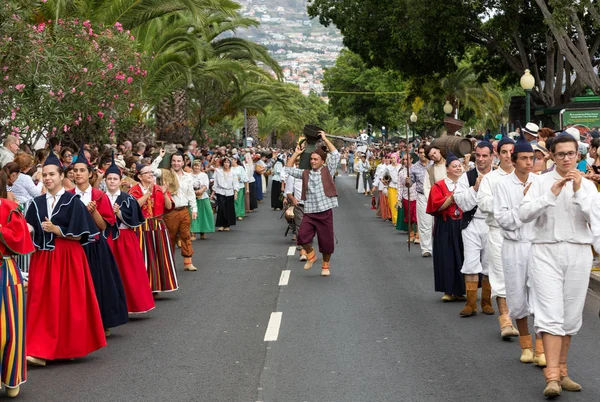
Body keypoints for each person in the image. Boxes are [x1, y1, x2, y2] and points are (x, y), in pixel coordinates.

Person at [519, 133, 596, 397]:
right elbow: (524, 214)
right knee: (550, 313)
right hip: (545, 251)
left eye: (571, 154)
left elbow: (595, 221)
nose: (566, 158)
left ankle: (563, 371)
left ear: (578, 155)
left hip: (578, 252)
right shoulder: (539, 182)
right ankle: (551, 376)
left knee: (571, 315)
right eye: (560, 153)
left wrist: (577, 191)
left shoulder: (587, 186)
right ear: (552, 155)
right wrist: (550, 194)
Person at [25, 152, 106, 367]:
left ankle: (68, 347)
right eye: (44, 175)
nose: (48, 178)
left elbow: (83, 234)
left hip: (68, 256)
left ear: (62, 176)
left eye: (52, 174)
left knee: (68, 302)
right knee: (42, 302)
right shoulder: (36, 203)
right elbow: (30, 228)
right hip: (43, 258)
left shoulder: (74, 201)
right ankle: (39, 349)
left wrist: (57, 230)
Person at [494, 135, 546, 366]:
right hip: (514, 247)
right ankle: (526, 345)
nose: (528, 162)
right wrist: (524, 206)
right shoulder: (502, 185)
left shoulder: (540, 182)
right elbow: (503, 219)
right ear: (513, 160)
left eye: (531, 158)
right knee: (517, 296)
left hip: (536, 246)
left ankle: (541, 348)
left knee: (541, 296)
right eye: (523, 158)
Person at [69, 148, 129, 335]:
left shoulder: (98, 195)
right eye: (75, 170)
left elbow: (103, 226)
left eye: (82, 170)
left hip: (94, 246)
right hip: (74, 247)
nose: (78, 174)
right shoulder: (67, 195)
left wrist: (93, 211)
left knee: (98, 284)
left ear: (90, 173)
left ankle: (102, 322)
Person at [476, 137, 520, 338]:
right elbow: (483, 203)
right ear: (498, 155)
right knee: (500, 275)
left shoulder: (528, 178)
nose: (508, 156)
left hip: (523, 234)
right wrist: (506, 199)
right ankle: (505, 321)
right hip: (497, 232)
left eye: (512, 151)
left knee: (522, 279)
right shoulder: (490, 179)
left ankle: (522, 319)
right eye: (504, 152)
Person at [284, 131, 340, 276]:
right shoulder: (305, 173)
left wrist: (325, 139)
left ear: (322, 160)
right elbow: (288, 169)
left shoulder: (328, 170)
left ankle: (325, 266)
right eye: (311, 159)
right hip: (309, 212)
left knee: (326, 243)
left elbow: (335, 155)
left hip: (325, 212)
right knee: (301, 237)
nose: (313, 161)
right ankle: (311, 255)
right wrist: (296, 154)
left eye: (316, 159)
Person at [104, 157, 155, 315]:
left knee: (129, 272)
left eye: (115, 179)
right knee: (109, 274)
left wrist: (119, 213)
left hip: (125, 238)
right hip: (106, 238)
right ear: (105, 180)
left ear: (120, 181)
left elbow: (136, 220)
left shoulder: (128, 198)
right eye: (109, 179)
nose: (112, 182)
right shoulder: (99, 197)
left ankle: (133, 305)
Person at [0, 175, 35, 398]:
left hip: (4, 271)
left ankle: (11, 377)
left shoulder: (10, 207)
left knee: (9, 328)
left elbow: (21, 237)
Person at [453, 142, 495, 317]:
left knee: (488, 264)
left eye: (485, 155)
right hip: (471, 224)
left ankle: (486, 301)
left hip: (492, 225)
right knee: (470, 264)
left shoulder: (499, 177)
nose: (481, 159)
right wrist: (475, 188)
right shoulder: (467, 177)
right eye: (478, 155)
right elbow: (461, 202)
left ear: (492, 156)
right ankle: (471, 303)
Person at [130, 164, 179, 295]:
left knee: (159, 256)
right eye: (147, 173)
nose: (151, 175)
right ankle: (144, 287)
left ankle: (157, 286)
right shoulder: (134, 190)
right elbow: (134, 207)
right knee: (143, 257)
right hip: (141, 226)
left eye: (151, 172)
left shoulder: (159, 188)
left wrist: (164, 194)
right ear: (140, 176)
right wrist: (148, 194)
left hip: (157, 225)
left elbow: (168, 206)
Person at [426, 153, 465, 301]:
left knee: (462, 256)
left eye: (459, 166)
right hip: (446, 224)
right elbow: (436, 207)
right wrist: (451, 198)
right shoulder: (439, 185)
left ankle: (461, 290)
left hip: (462, 223)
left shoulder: (465, 183)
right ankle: (448, 290)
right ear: (447, 168)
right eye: (454, 166)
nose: (457, 168)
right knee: (446, 256)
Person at [150, 150, 198, 271]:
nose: (176, 163)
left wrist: (194, 209)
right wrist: (160, 157)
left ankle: (188, 262)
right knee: (169, 237)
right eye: (174, 161)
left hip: (184, 210)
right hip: (170, 211)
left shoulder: (188, 176)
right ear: (171, 162)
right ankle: (168, 263)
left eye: (179, 161)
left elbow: (191, 193)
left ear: (183, 162)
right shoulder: (165, 173)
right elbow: (150, 171)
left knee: (186, 236)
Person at [409, 145, 433, 257]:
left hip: (436, 196)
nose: (422, 154)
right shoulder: (414, 168)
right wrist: (407, 182)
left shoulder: (434, 164)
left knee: (435, 223)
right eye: (420, 152)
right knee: (425, 224)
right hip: (422, 196)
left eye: (424, 152)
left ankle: (436, 247)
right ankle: (426, 249)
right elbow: (410, 184)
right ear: (418, 153)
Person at [190, 160, 215, 239]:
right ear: (192, 166)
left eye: (198, 166)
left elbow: (206, 184)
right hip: (192, 197)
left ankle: (202, 232)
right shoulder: (188, 175)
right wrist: (193, 192)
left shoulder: (203, 175)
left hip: (203, 196)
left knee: (203, 214)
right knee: (193, 214)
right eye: (195, 165)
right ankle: (193, 233)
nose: (197, 167)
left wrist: (201, 190)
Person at [213, 157, 237, 231]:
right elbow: (215, 183)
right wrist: (213, 193)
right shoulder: (218, 172)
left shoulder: (233, 172)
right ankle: (221, 224)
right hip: (220, 191)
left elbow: (235, 183)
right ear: (222, 163)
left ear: (230, 164)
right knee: (221, 208)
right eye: (225, 162)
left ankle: (227, 225)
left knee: (229, 208)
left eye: (228, 162)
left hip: (230, 192)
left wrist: (236, 193)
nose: (226, 164)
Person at [231, 156, 248, 221]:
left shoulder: (240, 168)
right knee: (233, 201)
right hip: (231, 186)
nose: (231, 161)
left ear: (236, 160)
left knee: (239, 200)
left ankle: (240, 214)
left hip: (240, 186)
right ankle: (233, 213)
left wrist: (240, 178)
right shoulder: (230, 168)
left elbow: (244, 177)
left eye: (232, 159)